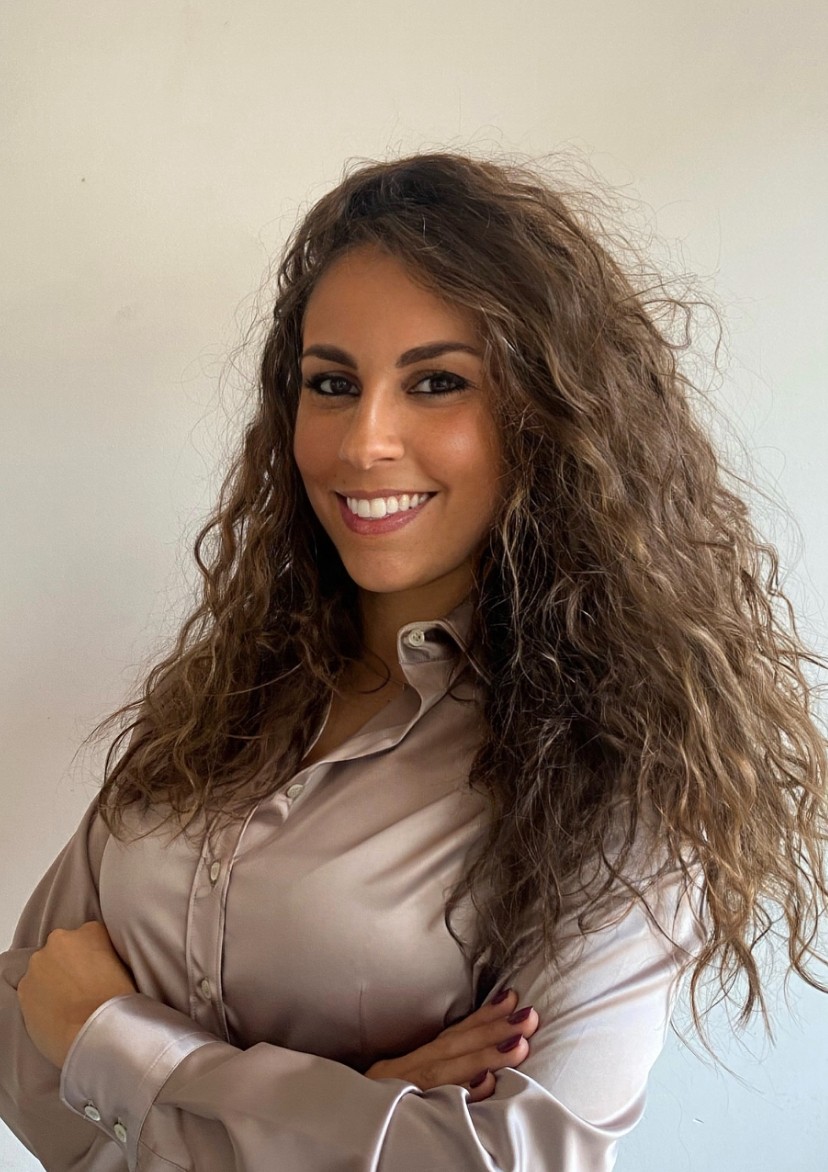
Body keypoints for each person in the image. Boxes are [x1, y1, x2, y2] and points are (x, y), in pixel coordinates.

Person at [1, 150, 826, 1172]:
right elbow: (23, 1043)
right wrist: (360, 1107)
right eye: (332, 384)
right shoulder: (221, 702)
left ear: (549, 415)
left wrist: (115, 1045)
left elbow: (512, 1158)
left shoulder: (619, 774)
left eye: (438, 383)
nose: (364, 441)